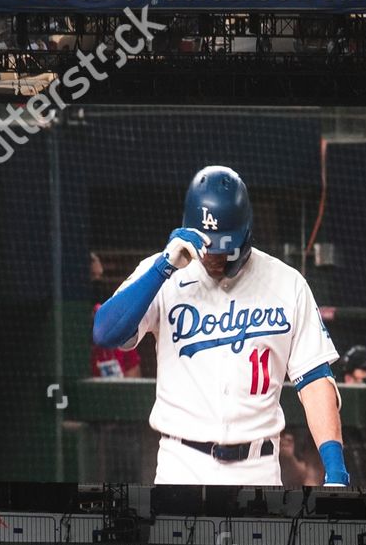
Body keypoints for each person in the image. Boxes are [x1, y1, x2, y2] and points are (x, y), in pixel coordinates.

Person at [92, 166, 348, 489]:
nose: (212, 257)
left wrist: (336, 472)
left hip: (258, 469)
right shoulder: (161, 274)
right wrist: (163, 267)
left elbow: (314, 380)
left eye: (222, 247)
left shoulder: (287, 283)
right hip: (181, 466)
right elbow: (105, 332)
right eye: (206, 246)